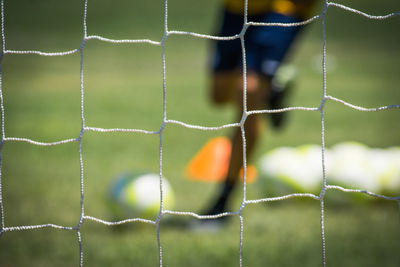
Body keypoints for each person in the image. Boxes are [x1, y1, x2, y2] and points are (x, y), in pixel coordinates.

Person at [203, 0, 318, 219]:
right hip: (236, 7)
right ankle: (273, 89)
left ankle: (223, 201)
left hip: (283, 8)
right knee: (219, 95)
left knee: (248, 92)